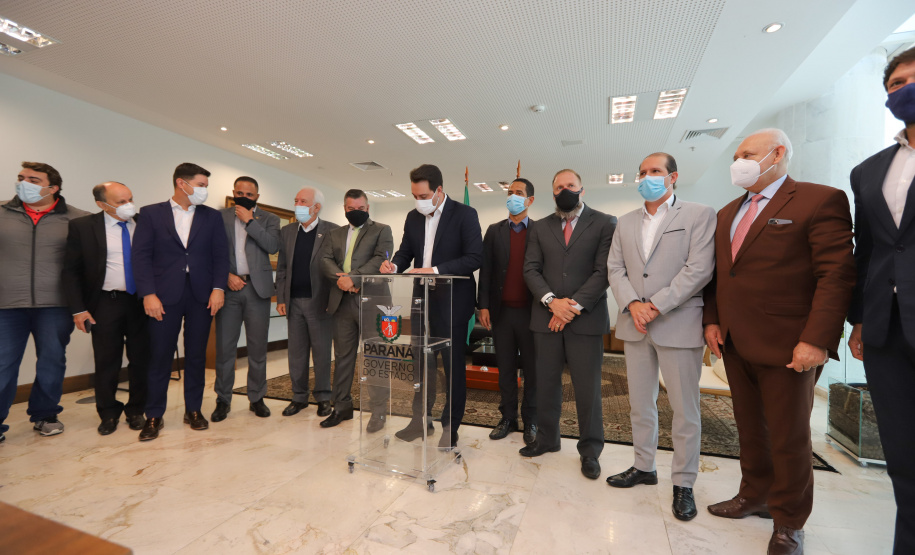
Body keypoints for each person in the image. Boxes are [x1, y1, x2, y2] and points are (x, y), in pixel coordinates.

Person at [703, 129, 855, 555]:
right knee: (751, 429)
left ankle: (789, 521)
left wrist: (816, 339)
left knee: (789, 437)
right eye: (736, 156)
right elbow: (721, 275)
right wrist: (712, 320)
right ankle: (754, 496)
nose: (738, 162)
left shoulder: (818, 200)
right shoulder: (728, 212)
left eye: (747, 154)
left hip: (790, 345)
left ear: (777, 153)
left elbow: (836, 275)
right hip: (735, 342)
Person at [606, 153, 716, 520]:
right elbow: (615, 268)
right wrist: (633, 304)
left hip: (678, 322)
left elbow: (699, 269)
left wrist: (654, 305)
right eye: (642, 172)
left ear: (673, 177)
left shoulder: (698, 214)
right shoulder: (625, 222)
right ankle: (644, 466)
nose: (647, 177)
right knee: (640, 403)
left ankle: (683, 483)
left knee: (684, 410)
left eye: (655, 171)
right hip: (635, 324)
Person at [847, 46, 915, 555]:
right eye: (895, 84)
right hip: (887, 329)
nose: (905, 89)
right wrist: (858, 320)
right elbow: (867, 249)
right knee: (903, 459)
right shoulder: (870, 170)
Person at [521, 168, 616, 480]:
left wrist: (570, 307)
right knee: (546, 385)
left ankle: (590, 450)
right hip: (546, 318)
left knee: (587, 390)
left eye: (571, 185)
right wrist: (553, 303)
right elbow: (531, 269)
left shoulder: (605, 222)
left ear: (582, 189)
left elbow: (603, 271)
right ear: (553, 193)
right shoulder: (540, 227)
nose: (565, 191)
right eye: (559, 187)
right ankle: (547, 439)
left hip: (585, 320)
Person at [379, 163, 483, 449]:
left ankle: (450, 426)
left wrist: (434, 270)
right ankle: (419, 421)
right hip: (420, 301)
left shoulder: (465, 214)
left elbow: (475, 258)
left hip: (452, 302)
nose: (419, 201)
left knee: (452, 368)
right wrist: (394, 265)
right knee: (421, 365)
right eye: (414, 196)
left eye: (423, 196)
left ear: (439, 190)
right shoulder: (413, 217)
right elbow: (405, 252)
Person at [132, 162, 229, 441]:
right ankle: (154, 415)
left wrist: (218, 288)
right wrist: (148, 293)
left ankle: (193, 410)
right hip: (163, 296)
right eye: (201, 185)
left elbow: (220, 256)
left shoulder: (212, 217)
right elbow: (141, 256)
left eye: (205, 186)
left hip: (201, 295)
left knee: (196, 355)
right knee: (160, 355)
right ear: (181, 183)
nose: (204, 190)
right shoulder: (151, 213)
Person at [0, 162, 89, 442]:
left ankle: (46, 415)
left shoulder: (78, 219)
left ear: (53, 188)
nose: (23, 183)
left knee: (52, 361)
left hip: (56, 305)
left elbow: (86, 265)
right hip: (6, 304)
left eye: (33, 179)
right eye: (21, 177)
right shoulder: (2, 212)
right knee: (2, 364)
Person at [63, 182, 149, 436]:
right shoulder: (82, 227)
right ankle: (108, 413)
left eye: (130, 199)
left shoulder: (144, 223)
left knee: (142, 359)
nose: (129, 205)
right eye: (121, 202)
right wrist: (78, 309)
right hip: (105, 302)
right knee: (106, 360)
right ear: (101, 204)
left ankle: (136, 410)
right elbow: (71, 271)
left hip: (141, 302)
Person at [318, 189, 394, 431]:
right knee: (342, 357)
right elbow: (325, 260)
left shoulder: (382, 230)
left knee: (376, 357)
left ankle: (378, 412)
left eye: (361, 208)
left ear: (368, 208)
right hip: (342, 302)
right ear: (345, 209)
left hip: (373, 302)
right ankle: (341, 407)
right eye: (351, 209)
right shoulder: (334, 234)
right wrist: (343, 280)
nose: (356, 212)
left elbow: (380, 259)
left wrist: (354, 278)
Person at [212, 176, 281, 422]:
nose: (243, 197)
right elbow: (210, 252)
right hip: (229, 289)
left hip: (257, 290)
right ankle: (223, 399)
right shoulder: (219, 217)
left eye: (249, 195)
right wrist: (226, 276)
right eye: (239, 193)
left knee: (257, 348)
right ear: (233, 193)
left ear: (257, 197)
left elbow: (272, 246)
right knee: (225, 349)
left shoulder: (270, 219)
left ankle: (257, 397)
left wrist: (250, 221)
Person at [478, 177, 538, 445]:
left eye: (519, 193)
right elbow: (486, 270)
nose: (513, 197)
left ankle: (532, 420)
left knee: (533, 371)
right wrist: (483, 305)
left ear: (530, 200)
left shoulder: (540, 231)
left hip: (532, 314)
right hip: (501, 313)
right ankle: (508, 418)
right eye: (510, 192)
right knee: (505, 369)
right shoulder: (494, 231)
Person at [275, 187, 338, 418]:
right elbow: (282, 268)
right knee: (297, 353)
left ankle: (323, 397)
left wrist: (332, 301)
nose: (297, 205)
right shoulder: (287, 231)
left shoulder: (332, 231)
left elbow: (336, 269)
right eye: (296, 200)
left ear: (316, 207)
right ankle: (299, 397)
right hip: (293, 302)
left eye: (303, 201)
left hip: (320, 302)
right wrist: (281, 298)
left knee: (321, 353)